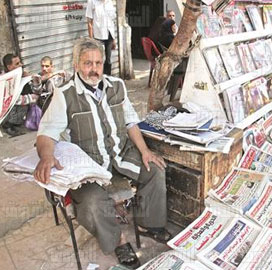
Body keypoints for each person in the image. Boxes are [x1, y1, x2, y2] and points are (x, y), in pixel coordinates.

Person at [33, 37, 170, 268]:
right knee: (93, 201)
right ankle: (117, 240)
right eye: (87, 63)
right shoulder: (64, 94)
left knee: (155, 169)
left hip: (119, 154)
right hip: (89, 164)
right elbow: (46, 134)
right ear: (76, 65)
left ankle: (150, 224)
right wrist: (46, 156)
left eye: (98, 63)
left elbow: (130, 122)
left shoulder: (117, 85)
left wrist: (145, 151)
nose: (94, 69)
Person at [1, 54, 38, 136]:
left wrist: (31, 78)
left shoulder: (20, 75)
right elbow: (13, 99)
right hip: (6, 111)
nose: (21, 65)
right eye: (17, 64)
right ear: (9, 67)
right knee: (24, 103)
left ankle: (15, 122)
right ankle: (8, 125)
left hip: (14, 109)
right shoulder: (5, 80)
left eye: (20, 62)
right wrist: (31, 98)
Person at [86, 0, 116, 75]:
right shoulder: (92, 2)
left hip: (109, 35)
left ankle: (107, 79)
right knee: (98, 60)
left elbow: (112, 22)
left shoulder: (109, 2)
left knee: (108, 60)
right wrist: (91, 40)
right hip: (98, 36)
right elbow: (90, 22)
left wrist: (114, 39)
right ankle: (97, 79)